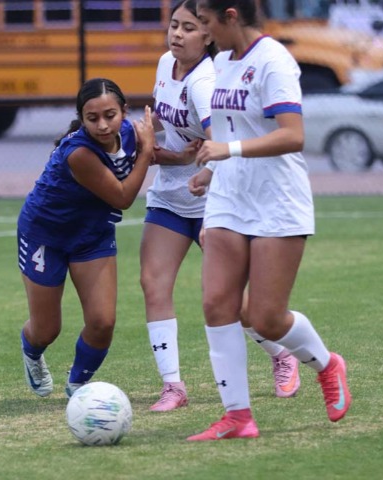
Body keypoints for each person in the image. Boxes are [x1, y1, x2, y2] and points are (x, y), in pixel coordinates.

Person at [186, 0, 351, 441]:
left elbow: (292, 135)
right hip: (229, 197)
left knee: (266, 318)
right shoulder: (223, 61)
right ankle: (238, 417)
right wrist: (212, 168)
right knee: (217, 304)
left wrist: (228, 151)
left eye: (206, 22)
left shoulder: (274, 60)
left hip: (276, 200)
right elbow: (229, 132)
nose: (203, 33)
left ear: (232, 15)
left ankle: (327, 365)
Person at [142, 0, 300, 412]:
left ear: (208, 35)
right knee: (153, 283)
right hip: (169, 197)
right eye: (174, 25)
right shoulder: (165, 64)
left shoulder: (206, 83)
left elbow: (219, 145)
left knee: (234, 303)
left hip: (211, 199)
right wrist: (145, 133)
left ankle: (282, 355)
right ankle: (173, 386)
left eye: (189, 27)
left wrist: (195, 169)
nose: (177, 34)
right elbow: (169, 122)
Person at [18, 78, 155, 398]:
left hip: (92, 235)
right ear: (81, 118)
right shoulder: (78, 153)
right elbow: (122, 197)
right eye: (92, 118)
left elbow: (150, 152)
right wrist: (147, 150)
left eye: (110, 115)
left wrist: (186, 154)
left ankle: (78, 388)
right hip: (45, 235)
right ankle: (31, 352)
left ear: (124, 112)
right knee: (46, 330)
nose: (103, 125)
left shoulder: (129, 134)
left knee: (102, 323)